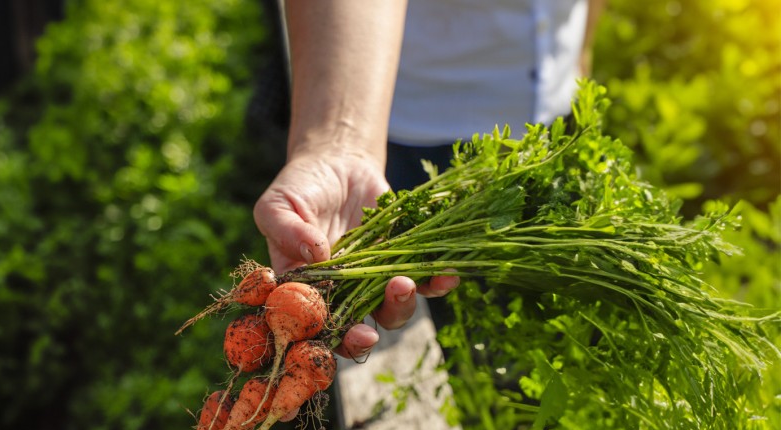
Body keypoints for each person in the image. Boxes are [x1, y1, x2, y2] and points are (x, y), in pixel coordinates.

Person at [253, 0, 603, 360]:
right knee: (432, 312)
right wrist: (340, 146)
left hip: (556, 108)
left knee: (518, 325)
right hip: (402, 118)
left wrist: (582, 49)